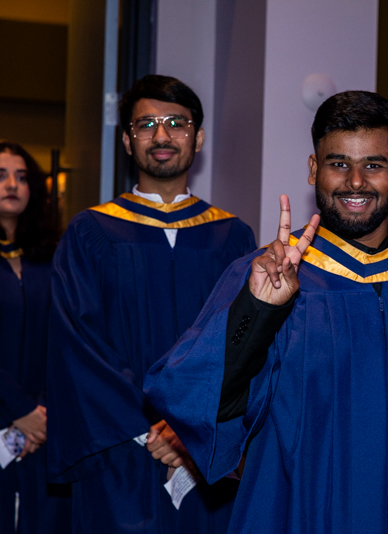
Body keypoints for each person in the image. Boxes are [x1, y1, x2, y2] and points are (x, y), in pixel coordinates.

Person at [144, 90, 388, 532]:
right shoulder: (269, 275)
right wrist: (259, 308)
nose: (356, 182)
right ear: (314, 170)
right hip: (304, 516)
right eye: (339, 163)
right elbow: (195, 396)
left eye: (374, 165)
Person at [47, 75, 256, 533]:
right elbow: (76, 345)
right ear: (127, 140)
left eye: (177, 123)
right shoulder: (90, 234)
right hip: (118, 448)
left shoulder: (233, 237)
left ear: (198, 138)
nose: (162, 135)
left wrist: (190, 427)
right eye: (146, 124)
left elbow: (244, 344)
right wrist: (151, 425)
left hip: (204, 452)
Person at [0, 141, 69, 533]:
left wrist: (39, 412)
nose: (12, 184)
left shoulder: (52, 258)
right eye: (1, 175)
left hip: (45, 425)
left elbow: (63, 337)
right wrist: (20, 410)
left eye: (22, 177)